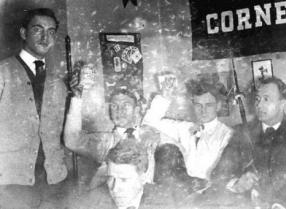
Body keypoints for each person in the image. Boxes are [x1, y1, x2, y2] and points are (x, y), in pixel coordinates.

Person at [0, 8, 68, 208]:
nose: (45, 37)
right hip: (11, 183)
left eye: (51, 32)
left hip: (53, 181)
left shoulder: (58, 83)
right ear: (23, 33)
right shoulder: (3, 73)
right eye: (38, 30)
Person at [143, 78, 235, 183]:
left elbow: (227, 177)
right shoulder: (184, 128)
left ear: (218, 106)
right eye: (198, 105)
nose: (202, 110)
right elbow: (149, 123)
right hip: (183, 193)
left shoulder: (227, 135)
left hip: (210, 194)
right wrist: (165, 97)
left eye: (208, 105)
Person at [228, 77, 286, 209]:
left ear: (282, 103)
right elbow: (219, 173)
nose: (259, 105)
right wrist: (236, 184)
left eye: (266, 99)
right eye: (257, 99)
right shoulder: (242, 132)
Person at [64, 86, 159, 184]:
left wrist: (155, 134)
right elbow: (72, 141)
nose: (119, 110)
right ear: (110, 111)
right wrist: (76, 99)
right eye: (114, 106)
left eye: (126, 105)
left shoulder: (148, 133)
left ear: (136, 110)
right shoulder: (106, 142)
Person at [66, 139, 180, 209]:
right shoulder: (93, 201)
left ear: (143, 177)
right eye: (111, 178)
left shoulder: (163, 199)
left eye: (124, 180)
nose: (115, 188)